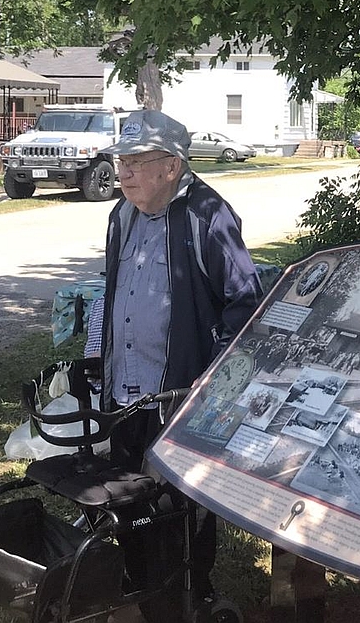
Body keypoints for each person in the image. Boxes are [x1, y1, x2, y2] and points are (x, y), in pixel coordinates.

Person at [96, 109, 263, 615]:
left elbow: (246, 301)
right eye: (120, 160)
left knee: (181, 508)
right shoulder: (119, 215)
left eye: (135, 161)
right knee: (127, 496)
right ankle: (142, 583)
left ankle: (193, 591)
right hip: (125, 392)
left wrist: (212, 381)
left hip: (179, 398)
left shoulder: (207, 216)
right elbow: (115, 295)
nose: (122, 172)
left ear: (171, 166)